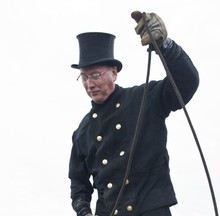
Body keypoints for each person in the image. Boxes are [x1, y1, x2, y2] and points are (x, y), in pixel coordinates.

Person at [68, 11, 200, 216]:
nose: (89, 84)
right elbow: (78, 182)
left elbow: (186, 82)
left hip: (150, 209)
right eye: (83, 77)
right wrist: (83, 210)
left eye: (95, 75)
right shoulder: (82, 131)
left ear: (114, 72)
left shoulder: (145, 98)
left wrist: (165, 46)